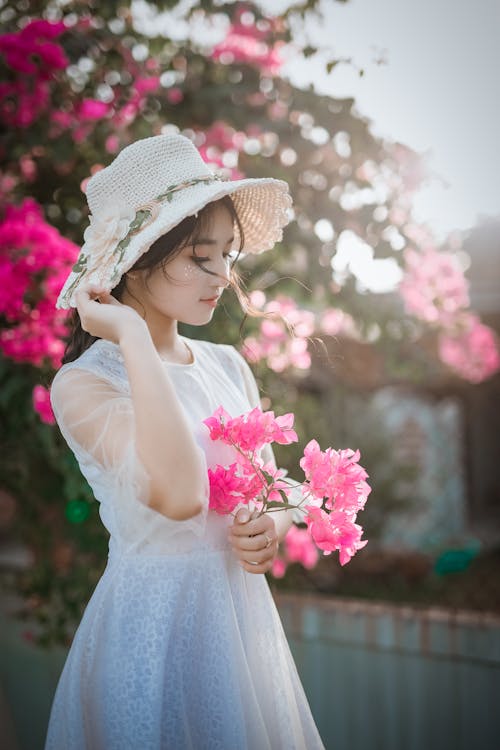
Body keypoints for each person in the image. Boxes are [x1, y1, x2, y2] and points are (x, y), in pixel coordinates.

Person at [44, 133, 326, 749]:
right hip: (152, 629)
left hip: (242, 629)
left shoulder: (229, 365)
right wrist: (133, 338)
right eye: (202, 256)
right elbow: (177, 495)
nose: (223, 275)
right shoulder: (84, 385)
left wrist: (272, 530)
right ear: (137, 258)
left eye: (228, 255)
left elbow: (277, 491)